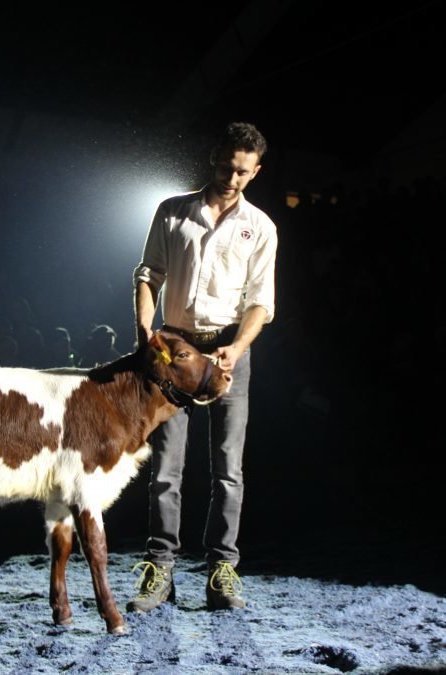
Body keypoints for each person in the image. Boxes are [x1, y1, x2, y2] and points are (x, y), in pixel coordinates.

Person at [128, 121, 278, 612]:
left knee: (228, 470)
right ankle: (161, 570)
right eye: (226, 167)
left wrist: (237, 348)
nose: (232, 178)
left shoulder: (261, 226)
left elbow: (261, 301)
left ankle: (222, 572)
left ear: (255, 172)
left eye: (242, 172)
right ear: (214, 159)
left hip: (227, 352)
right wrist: (147, 333)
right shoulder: (172, 211)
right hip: (175, 351)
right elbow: (149, 274)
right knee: (166, 470)